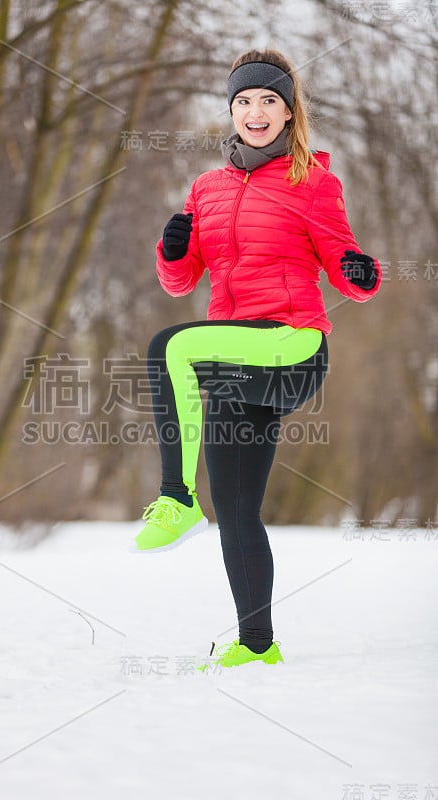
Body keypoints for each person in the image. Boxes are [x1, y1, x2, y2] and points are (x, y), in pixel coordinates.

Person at [131, 48, 381, 669]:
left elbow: (350, 273)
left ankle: (174, 496)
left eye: (268, 100)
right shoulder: (207, 189)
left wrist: (359, 272)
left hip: (293, 347)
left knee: (170, 348)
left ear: (290, 112)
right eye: (244, 101)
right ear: (232, 111)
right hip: (236, 355)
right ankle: (256, 645)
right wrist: (172, 249)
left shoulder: (315, 183)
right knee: (237, 506)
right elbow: (180, 282)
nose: (255, 111)